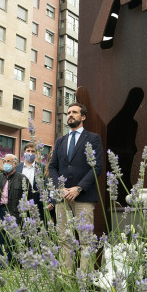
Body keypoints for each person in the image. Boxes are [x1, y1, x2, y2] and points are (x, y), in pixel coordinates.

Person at [49, 102, 104, 272]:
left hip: (84, 197)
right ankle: (65, 279)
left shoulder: (93, 138)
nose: (70, 115)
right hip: (62, 196)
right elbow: (52, 166)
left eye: (74, 112)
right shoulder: (61, 141)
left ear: (83, 117)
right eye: (68, 113)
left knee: (85, 240)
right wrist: (60, 187)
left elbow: (97, 166)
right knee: (63, 239)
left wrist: (78, 188)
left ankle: (84, 283)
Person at [0, 154, 32, 262]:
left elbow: (28, 197)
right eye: (4, 161)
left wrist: (21, 213)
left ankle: (11, 263)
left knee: (12, 239)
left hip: (14, 211)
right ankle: (0, 262)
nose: (6, 164)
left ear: (15, 164)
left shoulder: (22, 178)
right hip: (0, 210)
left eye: (9, 161)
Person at [16, 142, 54, 223]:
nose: (30, 153)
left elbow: (49, 185)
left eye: (33, 151)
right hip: (21, 205)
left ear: (36, 154)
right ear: (24, 152)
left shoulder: (42, 168)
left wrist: (51, 202)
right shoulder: (18, 168)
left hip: (38, 206)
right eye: (28, 151)